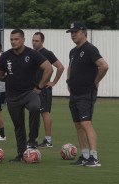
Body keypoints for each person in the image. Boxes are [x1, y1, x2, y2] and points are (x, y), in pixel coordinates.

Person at [0, 29, 53, 162]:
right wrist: (6, 78)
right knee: (18, 125)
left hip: (29, 92)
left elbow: (48, 68)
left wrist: (40, 86)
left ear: (23, 40)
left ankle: (32, 141)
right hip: (12, 95)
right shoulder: (6, 56)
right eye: (11, 39)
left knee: (34, 107)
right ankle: (21, 154)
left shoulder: (32, 54)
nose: (13, 42)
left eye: (16, 39)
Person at [66, 21, 108, 167]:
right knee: (78, 124)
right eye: (71, 32)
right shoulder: (73, 51)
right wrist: (68, 82)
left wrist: (95, 82)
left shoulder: (90, 49)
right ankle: (84, 156)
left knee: (86, 123)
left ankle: (94, 158)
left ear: (84, 32)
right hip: (75, 93)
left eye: (75, 32)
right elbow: (70, 67)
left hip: (86, 93)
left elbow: (104, 66)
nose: (73, 35)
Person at [28, 32, 64, 148]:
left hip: (43, 89)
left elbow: (60, 67)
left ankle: (48, 141)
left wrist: (53, 82)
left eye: (36, 41)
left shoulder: (47, 53)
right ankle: (34, 139)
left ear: (42, 42)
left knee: (44, 113)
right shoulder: (32, 54)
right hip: (33, 89)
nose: (34, 43)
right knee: (35, 114)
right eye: (33, 40)